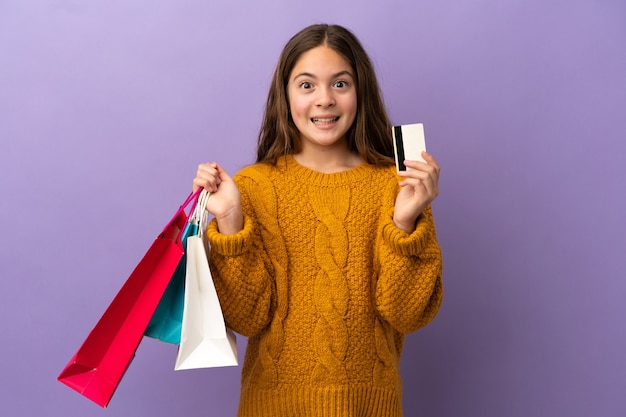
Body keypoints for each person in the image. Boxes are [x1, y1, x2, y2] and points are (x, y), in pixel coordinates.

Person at [192, 23, 443, 417]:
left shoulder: (396, 186)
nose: (324, 100)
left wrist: (405, 223)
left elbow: (407, 314)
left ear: (360, 92)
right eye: (307, 85)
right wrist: (230, 219)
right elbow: (246, 318)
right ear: (285, 95)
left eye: (340, 84)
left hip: (370, 407)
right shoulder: (253, 187)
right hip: (271, 407)